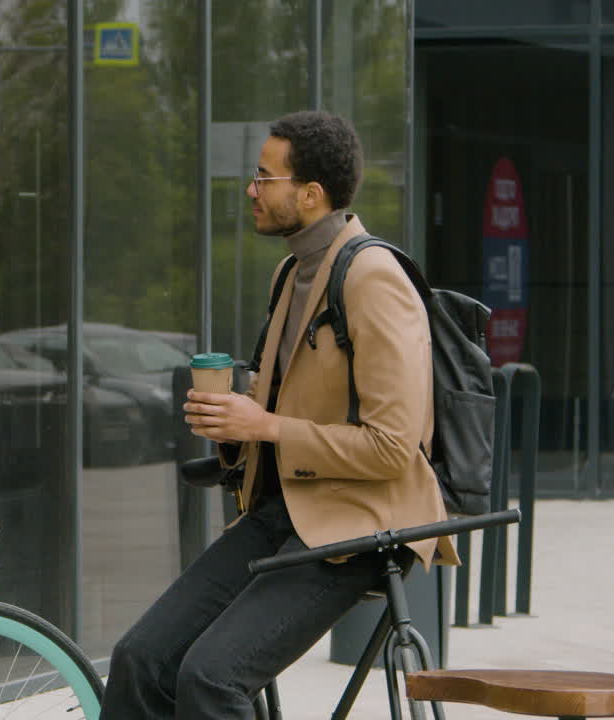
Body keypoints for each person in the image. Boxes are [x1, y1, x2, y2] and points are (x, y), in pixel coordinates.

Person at [100, 110, 459, 719]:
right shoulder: (291, 272)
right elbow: (279, 407)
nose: (251, 190)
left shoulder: (374, 278)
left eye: (264, 177)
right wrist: (231, 425)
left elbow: (393, 447)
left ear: (311, 194)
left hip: (361, 525)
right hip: (283, 509)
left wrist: (262, 425)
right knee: (140, 659)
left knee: (211, 679)